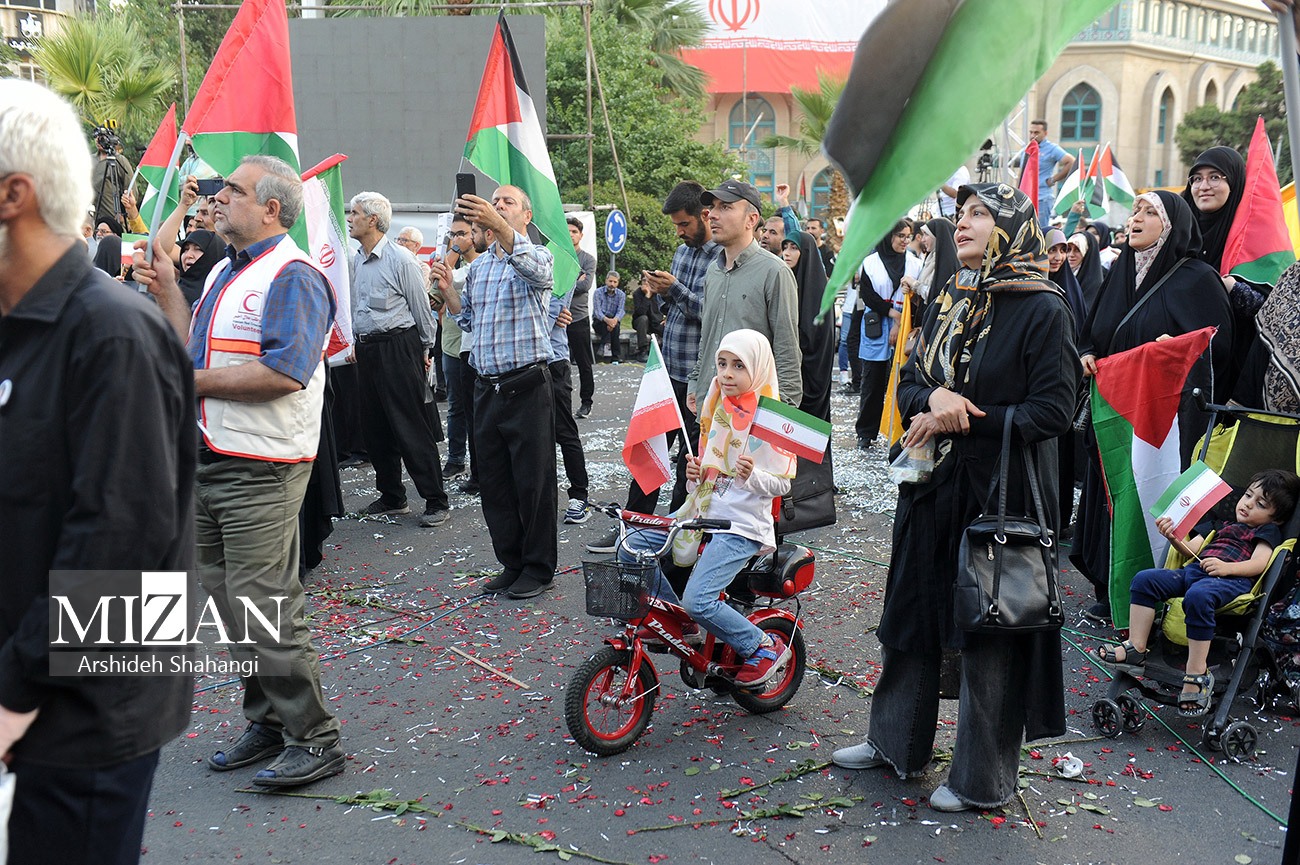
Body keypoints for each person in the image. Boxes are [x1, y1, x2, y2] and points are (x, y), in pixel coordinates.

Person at [831, 183, 1079, 813]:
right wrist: (934, 399)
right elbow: (910, 380)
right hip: (931, 484)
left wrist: (968, 418)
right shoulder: (952, 294)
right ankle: (894, 744)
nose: (962, 223)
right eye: (961, 213)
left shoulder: (1043, 308)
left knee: (988, 629)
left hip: (999, 495)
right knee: (911, 611)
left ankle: (980, 781)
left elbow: (1055, 410)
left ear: (1011, 229)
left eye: (979, 214)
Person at [0, 79, 194, 865]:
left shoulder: (113, 334)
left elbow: (119, 545)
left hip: (81, 717)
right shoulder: (22, 330)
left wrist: (14, 692)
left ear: (13, 195)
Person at [135, 154, 345, 789]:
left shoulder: (294, 275)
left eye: (234, 189)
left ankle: (314, 736)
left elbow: (285, 372)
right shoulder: (228, 270)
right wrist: (168, 292)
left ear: (271, 209)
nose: (217, 196)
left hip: (261, 464)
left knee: (263, 602)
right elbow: (190, 350)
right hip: (211, 455)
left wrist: (186, 381)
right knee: (230, 602)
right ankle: (270, 719)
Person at [1072, 191, 1235, 623]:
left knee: (1149, 494)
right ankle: (1107, 585)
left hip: (1163, 422)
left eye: (1149, 212)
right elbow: (1093, 332)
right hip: (1115, 413)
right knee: (1111, 493)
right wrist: (1087, 353)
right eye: (1135, 211)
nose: (1136, 219)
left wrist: (1177, 350)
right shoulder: (1120, 272)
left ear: (1172, 225)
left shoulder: (1197, 279)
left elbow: (1219, 346)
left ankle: (1151, 593)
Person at [618, 330, 796, 687]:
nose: (727, 373)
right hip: (702, 513)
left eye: (739, 366)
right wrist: (695, 475)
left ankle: (763, 646)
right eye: (722, 363)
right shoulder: (717, 406)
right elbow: (707, 479)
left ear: (758, 369)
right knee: (631, 545)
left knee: (699, 599)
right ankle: (679, 622)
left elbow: (783, 484)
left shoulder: (771, 419)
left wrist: (752, 475)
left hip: (741, 525)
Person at [1096, 470, 1300, 715]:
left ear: (1276, 519)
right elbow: (1188, 549)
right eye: (1247, 495)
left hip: (1231, 582)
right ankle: (1136, 647)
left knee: (1198, 596)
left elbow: (1259, 563)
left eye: (1260, 504)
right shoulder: (1219, 525)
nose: (1247, 504)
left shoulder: (1266, 532)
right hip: (1195, 572)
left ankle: (1196, 673)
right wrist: (1173, 536)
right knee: (1144, 580)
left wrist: (1227, 568)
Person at [588, 181, 718, 554]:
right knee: (648, 458)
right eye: (676, 225)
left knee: (688, 466)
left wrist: (673, 289)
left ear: (704, 215)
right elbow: (674, 310)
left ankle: (677, 542)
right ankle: (632, 529)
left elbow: (712, 313)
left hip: (698, 379)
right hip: (668, 372)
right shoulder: (681, 252)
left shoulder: (721, 258)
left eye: (684, 224)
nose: (679, 232)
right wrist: (660, 293)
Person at [445, 185, 557, 600]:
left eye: (507, 202)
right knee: (495, 483)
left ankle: (538, 568)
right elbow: (471, 322)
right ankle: (512, 562)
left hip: (526, 386)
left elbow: (538, 273)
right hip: (486, 387)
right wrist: (450, 292)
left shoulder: (535, 256)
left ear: (526, 215)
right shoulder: (479, 269)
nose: (497, 206)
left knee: (533, 483)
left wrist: (501, 228)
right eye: (494, 202)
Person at [347, 191, 451, 529]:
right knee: (375, 427)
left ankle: (435, 500)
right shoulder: (355, 260)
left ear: (373, 220)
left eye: (355, 213)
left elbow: (422, 311)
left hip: (399, 347)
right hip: (367, 349)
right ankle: (392, 496)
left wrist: (424, 351)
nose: (350, 218)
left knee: (410, 425)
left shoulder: (401, 260)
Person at [688, 179, 802, 414]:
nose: (712, 215)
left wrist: (782, 412)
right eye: (713, 207)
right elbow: (707, 337)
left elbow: (787, 349)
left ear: (751, 219)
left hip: (753, 412)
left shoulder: (774, 272)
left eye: (725, 207)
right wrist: (696, 383)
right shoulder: (713, 271)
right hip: (710, 405)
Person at [1180, 146, 1272, 404]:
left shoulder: (1256, 238)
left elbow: (1273, 312)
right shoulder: (1178, 235)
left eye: (1214, 177)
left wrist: (1232, 287)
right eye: (1196, 178)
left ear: (1234, 182)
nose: (1204, 186)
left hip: (1234, 373)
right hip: (1180, 365)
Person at [855, 219, 921, 449]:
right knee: (872, 379)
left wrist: (899, 322)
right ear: (888, 236)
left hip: (905, 325)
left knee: (903, 378)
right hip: (877, 323)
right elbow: (868, 295)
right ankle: (866, 432)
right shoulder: (870, 262)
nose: (905, 241)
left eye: (908, 236)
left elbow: (917, 296)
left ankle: (902, 431)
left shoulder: (914, 263)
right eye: (900, 235)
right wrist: (892, 314)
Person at [434, 216, 475, 480]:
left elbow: (458, 280)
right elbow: (434, 296)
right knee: (456, 406)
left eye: (462, 234)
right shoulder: (451, 266)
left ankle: (481, 464)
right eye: (453, 235)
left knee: (478, 407)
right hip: (451, 343)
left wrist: (455, 252)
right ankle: (456, 458)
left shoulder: (482, 265)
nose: (456, 239)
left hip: (476, 346)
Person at [782, 230, 836, 423]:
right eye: (785, 247)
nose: (787, 253)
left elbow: (817, 336)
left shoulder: (819, 290)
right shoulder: (785, 281)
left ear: (805, 252)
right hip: (791, 369)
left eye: (794, 248)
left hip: (813, 370)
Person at [1013, 120, 1075, 228]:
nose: (1033, 135)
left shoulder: (1051, 148)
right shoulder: (1027, 149)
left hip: (1042, 197)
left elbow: (1071, 161)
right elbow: (1022, 173)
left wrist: (1053, 179)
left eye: (1036, 132)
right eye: (1031, 132)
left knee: (1040, 229)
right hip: (1025, 197)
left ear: (1045, 133)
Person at [565, 216, 597, 418]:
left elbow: (585, 286)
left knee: (584, 364)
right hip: (557, 318)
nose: (570, 235)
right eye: (567, 231)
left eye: (574, 232)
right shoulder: (557, 256)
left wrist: (565, 284)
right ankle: (561, 403)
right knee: (559, 364)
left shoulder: (588, 259)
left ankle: (586, 402)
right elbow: (551, 284)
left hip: (578, 318)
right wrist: (574, 280)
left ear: (581, 235)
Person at [905, 218, 959, 305]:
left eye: (926, 234)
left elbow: (938, 297)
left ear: (938, 236)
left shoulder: (948, 264)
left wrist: (914, 284)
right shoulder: (930, 259)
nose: (923, 239)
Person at [176, 228, 227, 307]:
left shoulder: (222, 297)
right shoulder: (168, 290)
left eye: (198, 249)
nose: (188, 255)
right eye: (185, 249)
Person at [593, 271, 625, 362]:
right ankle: (615, 356)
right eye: (610, 281)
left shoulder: (621, 295)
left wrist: (614, 320)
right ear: (606, 281)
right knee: (607, 324)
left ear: (618, 283)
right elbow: (597, 312)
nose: (612, 284)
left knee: (615, 327)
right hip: (599, 322)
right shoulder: (598, 292)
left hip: (614, 322)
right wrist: (608, 320)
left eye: (615, 282)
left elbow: (621, 311)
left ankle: (604, 348)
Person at [1067, 230, 1105, 309]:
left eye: (1077, 250)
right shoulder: (1063, 275)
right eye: (1068, 249)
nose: (1071, 254)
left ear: (1087, 252)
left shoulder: (1094, 284)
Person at [631, 281, 663, 362]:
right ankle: (642, 351)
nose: (646, 284)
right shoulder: (637, 294)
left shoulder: (658, 294)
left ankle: (664, 351)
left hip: (655, 321)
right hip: (640, 322)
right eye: (644, 281)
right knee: (643, 319)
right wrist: (647, 296)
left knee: (666, 326)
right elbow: (640, 312)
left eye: (648, 282)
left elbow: (659, 313)